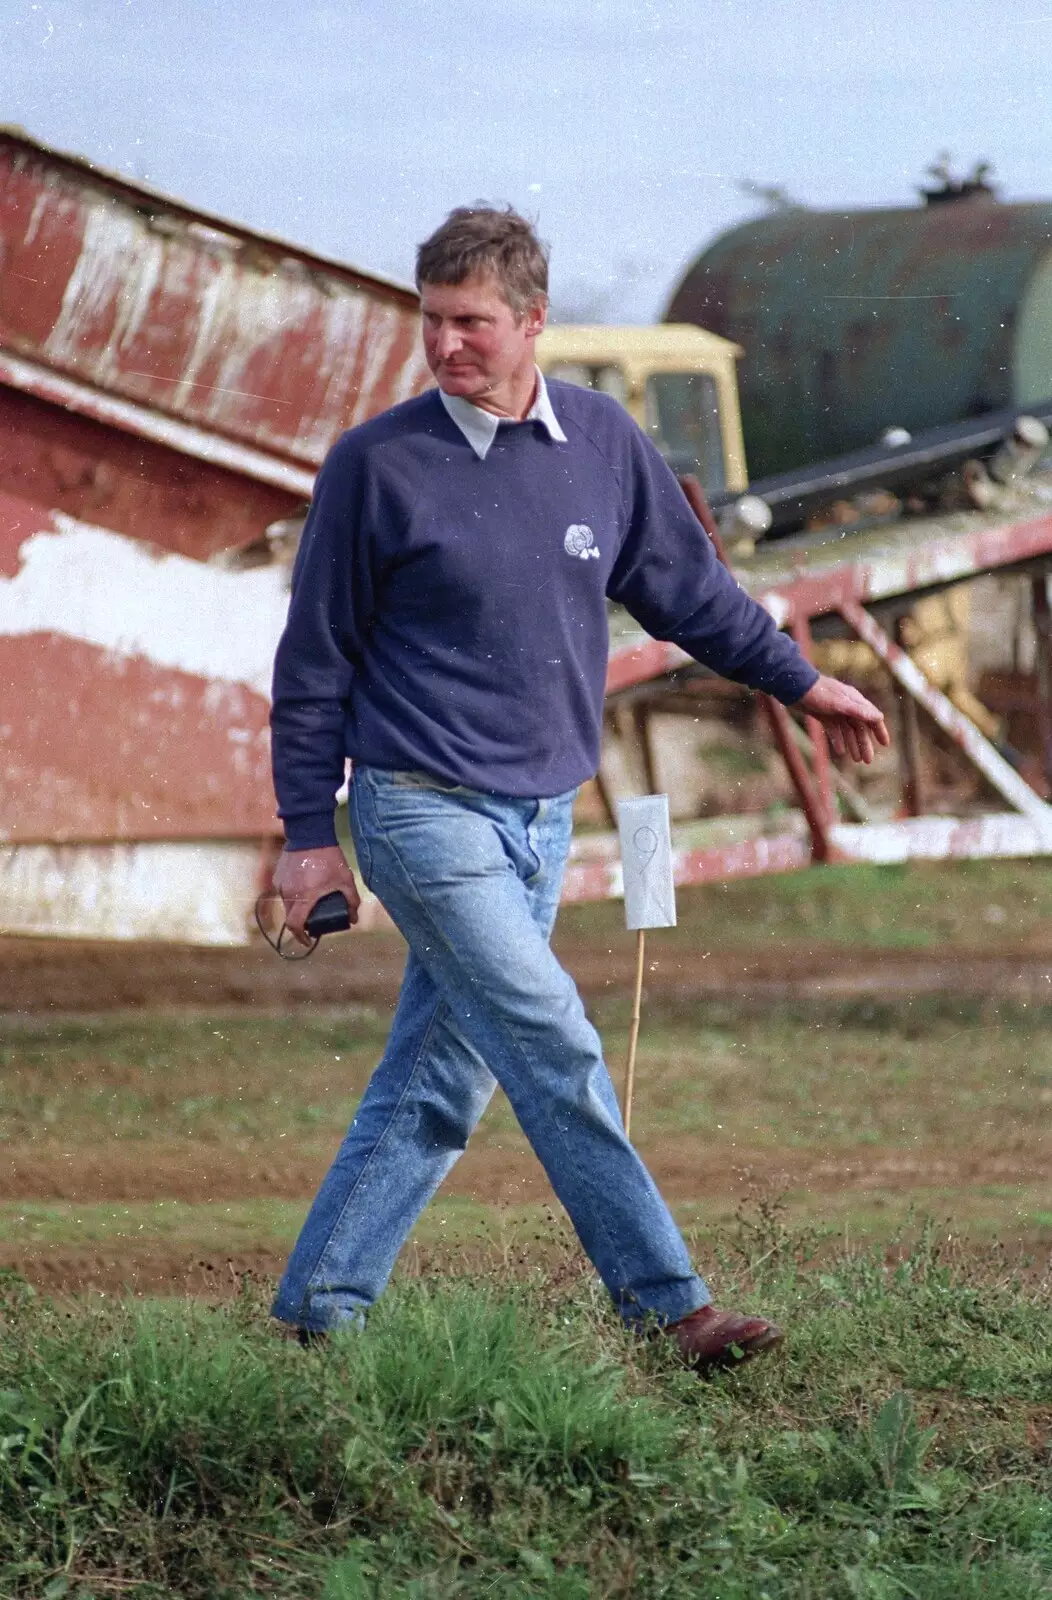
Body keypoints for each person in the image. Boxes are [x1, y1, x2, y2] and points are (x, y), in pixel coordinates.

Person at [268, 205, 889, 1366]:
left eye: (472, 323)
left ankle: (319, 1314)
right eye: (431, 323)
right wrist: (310, 835)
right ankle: (669, 1306)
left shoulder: (603, 442)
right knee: (552, 1038)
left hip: (541, 816)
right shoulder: (374, 466)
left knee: (444, 1075)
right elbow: (313, 666)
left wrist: (803, 685)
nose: (446, 346)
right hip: (417, 805)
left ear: (533, 321)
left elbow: (690, 596)